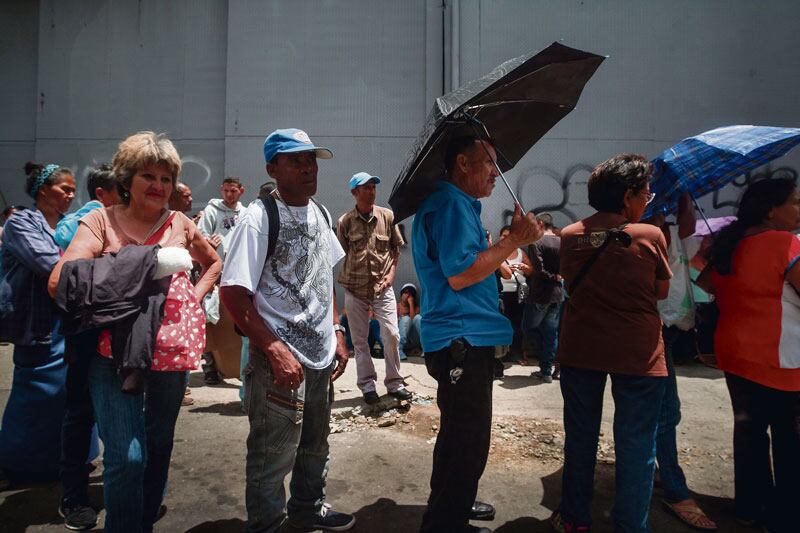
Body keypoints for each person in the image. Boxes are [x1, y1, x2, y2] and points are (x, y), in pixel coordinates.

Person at [48, 131, 221, 533]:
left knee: (159, 444)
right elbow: (60, 281)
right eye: (148, 176)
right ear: (127, 179)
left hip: (170, 354)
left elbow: (213, 263)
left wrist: (192, 300)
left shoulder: (180, 223)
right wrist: (141, 266)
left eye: (166, 178)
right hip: (112, 354)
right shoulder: (100, 221)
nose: (159, 186)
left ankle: (142, 517)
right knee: (127, 457)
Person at [220, 128, 354, 532]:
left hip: (319, 357)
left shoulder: (321, 214)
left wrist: (337, 330)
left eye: (311, 159)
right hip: (277, 360)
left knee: (315, 443)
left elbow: (323, 278)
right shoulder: (258, 218)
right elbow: (233, 294)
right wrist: (274, 349)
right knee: (272, 450)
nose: (308, 167)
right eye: (296, 160)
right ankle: (267, 523)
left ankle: (308, 508)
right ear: (272, 169)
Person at [412, 135, 543, 533]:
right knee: (466, 442)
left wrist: (507, 246)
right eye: (489, 162)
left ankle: (452, 507)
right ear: (463, 163)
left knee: (458, 438)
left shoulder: (456, 204)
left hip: (463, 339)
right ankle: (445, 524)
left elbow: (470, 266)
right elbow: (460, 274)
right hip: (462, 339)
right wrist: (513, 241)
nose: (495, 172)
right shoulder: (451, 203)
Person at [552, 154, 672, 533]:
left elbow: (570, 284)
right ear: (627, 196)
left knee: (580, 438)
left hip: (581, 348)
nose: (648, 199)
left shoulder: (570, 235)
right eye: (646, 193)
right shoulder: (650, 235)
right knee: (637, 444)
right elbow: (661, 291)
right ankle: (630, 526)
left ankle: (575, 519)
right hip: (638, 353)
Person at [698, 178, 800, 532]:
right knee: (790, 440)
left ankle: (750, 507)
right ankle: (787, 516)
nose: (799, 209)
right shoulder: (784, 243)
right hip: (781, 357)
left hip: (736, 353)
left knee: (749, 432)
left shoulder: (731, 244)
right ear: (771, 210)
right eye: (795, 202)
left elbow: (706, 283)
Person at [0, 163, 76, 492]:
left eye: (73, 190)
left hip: (65, 321)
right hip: (37, 322)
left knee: (63, 396)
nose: (70, 196)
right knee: (33, 396)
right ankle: (14, 464)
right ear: (43, 190)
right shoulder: (21, 223)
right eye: (64, 189)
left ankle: (55, 462)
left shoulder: (67, 224)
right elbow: (51, 265)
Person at [645, 195, 716, 530]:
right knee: (665, 412)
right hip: (653, 331)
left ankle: (656, 469)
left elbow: (687, 226)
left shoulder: (675, 235)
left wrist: (685, 196)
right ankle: (675, 490)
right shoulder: (642, 239)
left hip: (673, 329)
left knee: (659, 411)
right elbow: (656, 290)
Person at [54, 164, 119, 529]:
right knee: (80, 412)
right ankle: (74, 497)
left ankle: (121, 486)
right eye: (120, 191)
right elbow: (64, 274)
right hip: (86, 331)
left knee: (118, 412)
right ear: (101, 194)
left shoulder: (127, 221)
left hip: (117, 331)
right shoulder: (81, 223)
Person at [336, 172, 410, 405]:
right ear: (354, 192)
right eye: (366, 188)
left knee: (392, 334)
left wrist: (391, 274)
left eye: (373, 187)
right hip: (355, 288)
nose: (371, 192)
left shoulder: (387, 216)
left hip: (382, 288)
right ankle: (368, 386)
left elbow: (395, 250)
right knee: (360, 341)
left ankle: (395, 383)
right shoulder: (345, 221)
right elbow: (343, 252)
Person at [197, 177, 247, 385]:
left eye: (233, 191)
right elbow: (199, 237)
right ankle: (209, 367)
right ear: (221, 190)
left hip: (237, 273)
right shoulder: (212, 211)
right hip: (214, 272)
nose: (229, 195)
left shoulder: (245, 213)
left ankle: (232, 366)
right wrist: (208, 243)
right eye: (226, 191)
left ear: (241, 191)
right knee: (208, 318)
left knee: (232, 321)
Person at [522, 212, 563, 384]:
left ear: (539, 223)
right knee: (551, 333)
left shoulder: (536, 243)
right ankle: (546, 371)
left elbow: (538, 269)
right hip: (557, 294)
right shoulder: (562, 242)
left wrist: (551, 277)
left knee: (527, 327)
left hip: (540, 294)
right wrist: (557, 277)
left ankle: (545, 368)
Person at [54, 163, 120, 250]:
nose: (128, 198)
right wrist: (95, 207)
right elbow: (66, 238)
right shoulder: (70, 222)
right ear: (100, 194)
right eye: (121, 192)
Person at [497, 225, 532, 363]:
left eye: (509, 236)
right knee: (502, 324)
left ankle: (516, 353)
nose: (506, 238)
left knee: (517, 325)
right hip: (500, 293)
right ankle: (502, 354)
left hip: (517, 294)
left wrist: (524, 267)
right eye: (503, 236)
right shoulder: (495, 252)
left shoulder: (520, 252)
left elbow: (531, 271)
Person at [397, 283, 423, 358]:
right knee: (405, 319)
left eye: (411, 294)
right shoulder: (395, 307)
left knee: (417, 318)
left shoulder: (416, 308)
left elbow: (412, 319)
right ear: (401, 294)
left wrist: (411, 304)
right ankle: (399, 350)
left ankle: (426, 349)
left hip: (414, 339)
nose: (408, 295)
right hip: (400, 338)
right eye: (406, 292)